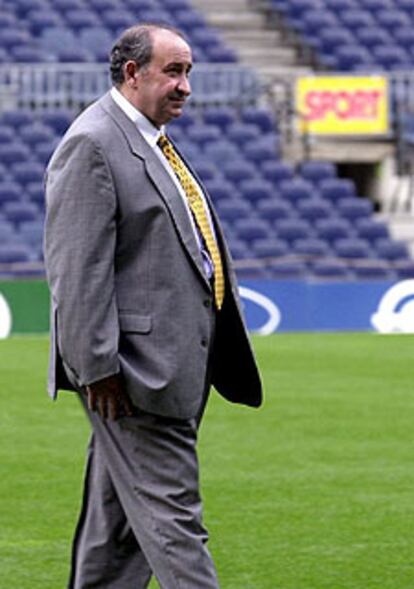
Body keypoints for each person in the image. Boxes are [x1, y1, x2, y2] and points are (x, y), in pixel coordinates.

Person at [44, 22, 262, 589]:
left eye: (189, 72)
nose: (186, 85)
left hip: (172, 367)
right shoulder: (92, 142)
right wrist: (98, 369)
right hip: (135, 377)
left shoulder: (146, 139)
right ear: (132, 73)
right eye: (174, 71)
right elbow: (77, 270)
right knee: (175, 523)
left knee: (114, 535)